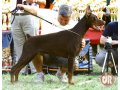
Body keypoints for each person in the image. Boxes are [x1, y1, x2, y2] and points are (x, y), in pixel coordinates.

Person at [17, 3, 78, 82]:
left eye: (66, 20)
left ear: (71, 17)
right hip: (45, 54)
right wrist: (23, 6)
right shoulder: (49, 14)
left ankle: (61, 74)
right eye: (61, 19)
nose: (63, 21)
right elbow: (34, 10)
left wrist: (80, 44)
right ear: (58, 14)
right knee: (34, 48)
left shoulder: (74, 25)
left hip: (61, 55)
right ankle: (39, 75)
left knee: (74, 64)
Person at [10, 0, 45, 74]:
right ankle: (21, 71)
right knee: (19, 46)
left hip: (30, 15)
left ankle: (36, 71)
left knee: (33, 45)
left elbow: (44, 2)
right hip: (14, 15)